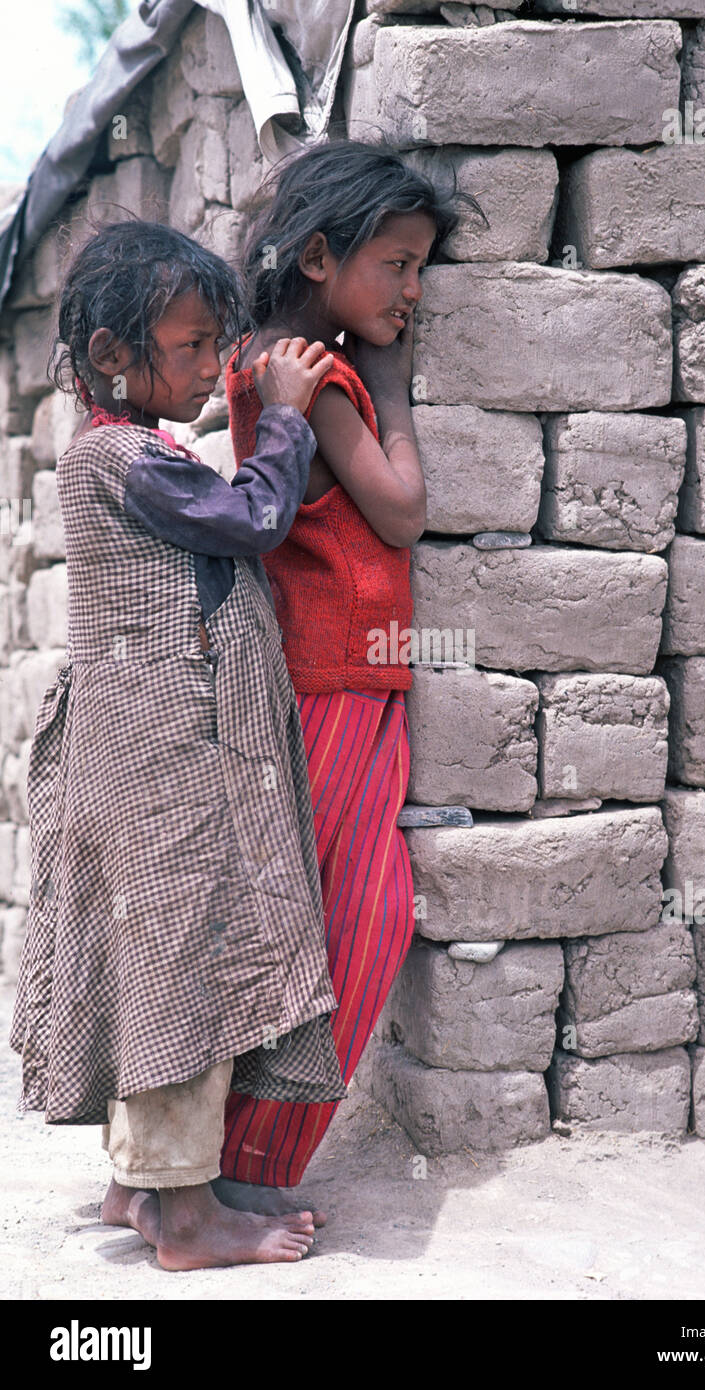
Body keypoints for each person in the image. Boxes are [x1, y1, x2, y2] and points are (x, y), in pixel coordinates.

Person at [9, 219, 346, 1270]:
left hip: (150, 746)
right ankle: (188, 1222)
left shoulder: (135, 443)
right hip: (161, 755)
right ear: (113, 356)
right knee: (179, 964)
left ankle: (133, 1184)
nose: (210, 366)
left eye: (215, 345)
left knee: (154, 952)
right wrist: (285, 418)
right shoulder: (120, 455)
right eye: (193, 346)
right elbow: (250, 517)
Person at [219, 141, 476, 1213]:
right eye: (398, 265)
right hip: (328, 683)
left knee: (330, 916)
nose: (413, 291)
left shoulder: (283, 360)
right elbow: (401, 511)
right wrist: (392, 393)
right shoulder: (315, 377)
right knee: (351, 920)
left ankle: (231, 1160)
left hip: (354, 680)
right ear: (320, 257)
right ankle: (243, 1168)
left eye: (422, 269)